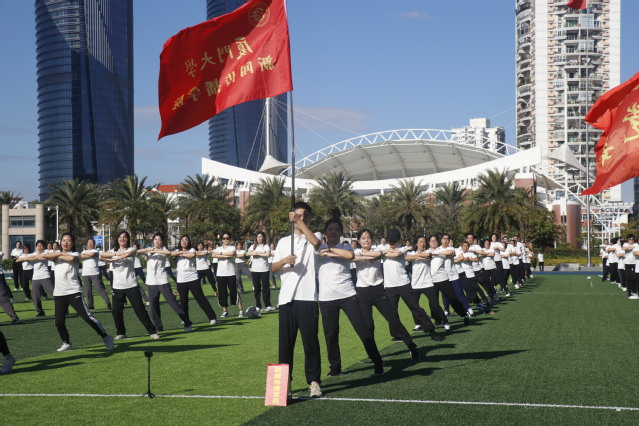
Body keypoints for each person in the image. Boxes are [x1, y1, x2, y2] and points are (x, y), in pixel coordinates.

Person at [318, 219, 385, 377]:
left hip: (347, 294)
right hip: (326, 297)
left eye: (336, 229)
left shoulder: (346, 247)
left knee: (363, 329)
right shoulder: (318, 249)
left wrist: (329, 251)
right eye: (330, 229)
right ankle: (335, 367)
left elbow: (349, 255)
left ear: (341, 233)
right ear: (325, 233)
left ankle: (377, 361)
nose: (333, 232)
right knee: (331, 334)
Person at [272, 201, 323, 398]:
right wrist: (284, 261)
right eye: (298, 215)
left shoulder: (315, 235)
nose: (301, 219)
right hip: (286, 299)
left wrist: (299, 222)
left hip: (307, 297)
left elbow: (317, 244)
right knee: (285, 344)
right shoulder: (284, 241)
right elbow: (273, 268)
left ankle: (314, 382)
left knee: (310, 342)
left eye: (305, 216)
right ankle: (285, 384)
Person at [43, 233, 114, 351]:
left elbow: (72, 259)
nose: (66, 243)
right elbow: (46, 256)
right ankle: (66, 342)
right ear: (60, 242)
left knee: (87, 317)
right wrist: (60, 254)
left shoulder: (75, 254)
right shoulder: (56, 255)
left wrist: (59, 254)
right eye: (63, 240)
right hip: (59, 293)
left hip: (73, 291)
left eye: (68, 241)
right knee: (58, 322)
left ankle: (106, 337)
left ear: (72, 243)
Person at [381, 229, 442, 340]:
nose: (391, 243)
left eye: (393, 241)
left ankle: (431, 331)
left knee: (415, 308)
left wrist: (385, 252)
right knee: (392, 312)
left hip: (403, 283)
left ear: (398, 241)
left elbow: (397, 254)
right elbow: (378, 254)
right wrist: (385, 251)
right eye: (390, 241)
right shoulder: (382, 249)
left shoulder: (403, 249)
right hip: (389, 286)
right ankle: (397, 334)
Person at [101, 231, 159, 340]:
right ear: (117, 239)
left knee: (140, 310)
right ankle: (121, 332)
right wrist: (115, 255)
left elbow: (128, 254)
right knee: (116, 311)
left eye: (125, 237)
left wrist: (113, 259)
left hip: (131, 285)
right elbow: (102, 255)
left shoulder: (131, 249)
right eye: (120, 237)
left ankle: (152, 331)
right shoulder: (113, 251)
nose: (122, 239)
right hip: (117, 287)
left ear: (128, 239)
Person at [138, 232, 193, 331]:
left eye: (159, 240)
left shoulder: (164, 250)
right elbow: (138, 251)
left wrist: (157, 250)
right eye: (155, 239)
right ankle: (158, 327)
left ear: (162, 242)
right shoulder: (149, 250)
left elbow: (169, 253)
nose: (157, 241)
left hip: (162, 280)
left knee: (173, 302)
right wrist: (151, 250)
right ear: (153, 241)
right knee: (153, 306)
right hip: (151, 282)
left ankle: (187, 323)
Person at [171, 235, 218, 324]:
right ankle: (186, 320)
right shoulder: (177, 250)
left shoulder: (192, 250)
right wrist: (181, 252)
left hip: (192, 278)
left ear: (189, 242)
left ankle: (212, 317)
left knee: (200, 298)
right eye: (182, 240)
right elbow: (171, 254)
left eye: (186, 240)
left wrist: (181, 254)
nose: (184, 241)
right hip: (181, 280)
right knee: (183, 301)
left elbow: (192, 255)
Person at [405, 236, 449, 331]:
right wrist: (417, 256)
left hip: (428, 283)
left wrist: (416, 256)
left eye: (424, 242)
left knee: (435, 305)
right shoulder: (412, 253)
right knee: (414, 306)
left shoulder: (428, 252)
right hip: (415, 284)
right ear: (416, 244)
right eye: (420, 242)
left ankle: (445, 322)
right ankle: (418, 324)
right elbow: (407, 257)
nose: (423, 244)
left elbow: (428, 255)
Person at [427, 234, 471, 325]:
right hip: (431, 280)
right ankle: (437, 319)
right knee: (432, 302)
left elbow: (452, 253)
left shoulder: (441, 250)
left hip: (443, 279)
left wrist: (436, 253)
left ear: (438, 242)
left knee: (452, 299)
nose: (433, 242)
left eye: (435, 240)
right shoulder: (427, 251)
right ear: (429, 242)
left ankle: (464, 315)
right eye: (431, 241)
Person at [211, 233, 244, 318]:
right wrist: (225, 254)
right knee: (222, 293)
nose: (226, 240)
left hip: (230, 273)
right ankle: (225, 311)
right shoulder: (218, 248)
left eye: (227, 238)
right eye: (224, 238)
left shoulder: (232, 247)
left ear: (230, 239)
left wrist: (220, 254)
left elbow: (232, 254)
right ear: (222, 239)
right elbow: (213, 255)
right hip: (220, 274)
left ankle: (241, 310)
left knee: (233, 292)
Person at [23, 240, 55, 316]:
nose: (39, 247)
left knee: (54, 293)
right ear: (36, 247)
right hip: (35, 277)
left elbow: (42, 257)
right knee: (35, 296)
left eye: (41, 245)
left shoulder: (46, 253)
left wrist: (35, 257)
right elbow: (28, 258)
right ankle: (40, 311)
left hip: (45, 276)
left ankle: (64, 309)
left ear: (44, 247)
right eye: (38, 245)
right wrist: (35, 257)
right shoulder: (34, 254)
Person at [81, 238, 112, 310]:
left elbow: (92, 254)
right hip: (85, 273)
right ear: (87, 244)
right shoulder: (83, 251)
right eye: (89, 242)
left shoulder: (96, 251)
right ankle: (90, 305)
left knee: (100, 289)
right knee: (88, 291)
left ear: (94, 244)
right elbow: (81, 256)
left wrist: (85, 255)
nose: (90, 244)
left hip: (94, 273)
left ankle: (108, 304)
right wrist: (87, 255)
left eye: (91, 242)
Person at [247, 232, 274, 312]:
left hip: (264, 269)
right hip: (255, 270)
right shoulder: (253, 246)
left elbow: (267, 254)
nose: (259, 238)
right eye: (258, 237)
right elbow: (248, 253)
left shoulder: (266, 246)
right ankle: (258, 305)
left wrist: (257, 253)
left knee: (266, 288)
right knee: (257, 288)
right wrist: (258, 253)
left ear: (263, 238)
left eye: (260, 237)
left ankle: (268, 305)